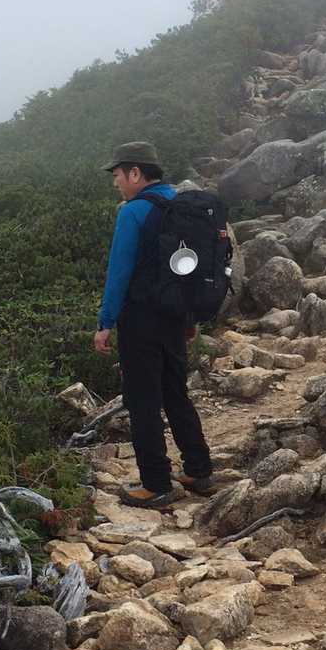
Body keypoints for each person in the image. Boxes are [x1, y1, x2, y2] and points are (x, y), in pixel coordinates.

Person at [94, 141, 214, 508]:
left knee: (143, 400)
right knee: (176, 393)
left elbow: (119, 271)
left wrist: (105, 322)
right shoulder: (182, 205)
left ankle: (156, 484)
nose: (116, 182)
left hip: (140, 319)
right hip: (175, 316)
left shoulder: (133, 212)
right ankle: (198, 470)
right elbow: (188, 268)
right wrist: (189, 317)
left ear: (135, 173)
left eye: (118, 174)